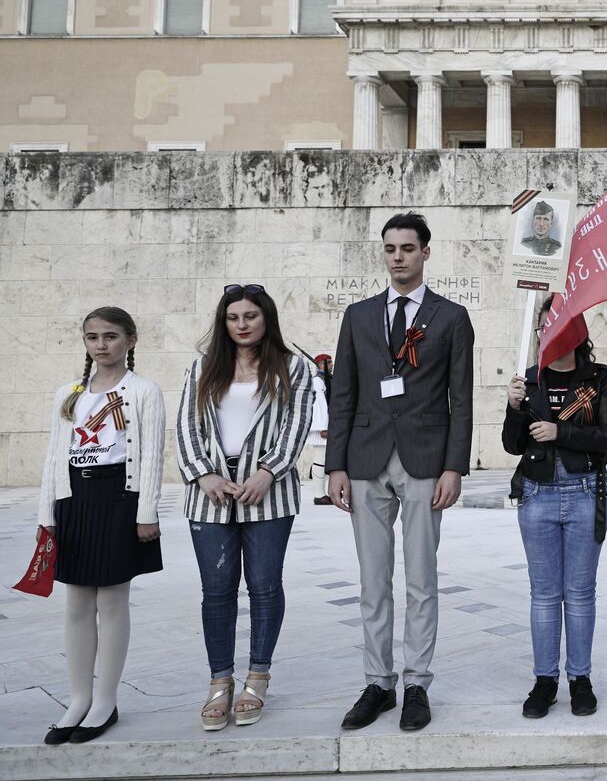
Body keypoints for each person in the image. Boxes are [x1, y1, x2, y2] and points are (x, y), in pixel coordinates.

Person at [326, 212, 475, 732]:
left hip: (425, 459)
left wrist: (454, 466)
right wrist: (336, 465)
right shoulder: (359, 315)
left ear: (425, 253)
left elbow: (462, 397)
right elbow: (341, 393)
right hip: (365, 459)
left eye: (407, 248)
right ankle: (377, 682)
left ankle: (416, 683)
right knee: (372, 580)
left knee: (421, 578)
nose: (398, 257)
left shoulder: (450, 317)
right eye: (390, 248)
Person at [175, 284, 316, 730]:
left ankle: (258, 676)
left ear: (266, 318)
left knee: (264, 586)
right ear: (224, 322)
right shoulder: (202, 368)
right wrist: (204, 473)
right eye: (234, 317)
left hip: (268, 492)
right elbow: (185, 425)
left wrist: (268, 471)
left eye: (251, 316)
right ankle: (220, 682)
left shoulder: (293, 369)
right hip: (210, 493)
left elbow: (297, 424)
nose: (242, 324)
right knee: (216, 591)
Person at [36, 306, 164, 745]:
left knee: (111, 602)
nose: (101, 345)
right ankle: (78, 698)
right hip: (74, 498)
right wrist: (46, 516)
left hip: (119, 498)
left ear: (131, 339)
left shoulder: (143, 391)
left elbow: (150, 454)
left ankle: (105, 701)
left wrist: (147, 512)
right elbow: (55, 456)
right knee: (76, 604)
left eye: (111, 336)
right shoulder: (69, 393)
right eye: (93, 337)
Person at [503, 296, 607, 719]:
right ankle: (544, 680)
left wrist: (561, 431)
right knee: (544, 594)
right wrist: (514, 408)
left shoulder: (598, 377)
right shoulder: (529, 380)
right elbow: (513, 445)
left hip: (585, 489)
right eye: (545, 325)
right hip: (537, 493)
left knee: (579, 593)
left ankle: (580, 678)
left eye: (559, 325)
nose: (550, 332)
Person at [309, 353, 334, 505]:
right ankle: (319, 495)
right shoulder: (317, 381)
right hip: (322, 428)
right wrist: (323, 428)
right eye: (328, 362)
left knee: (326, 459)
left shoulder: (327, 379)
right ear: (320, 364)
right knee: (319, 459)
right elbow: (319, 406)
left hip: (329, 425)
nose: (331, 364)